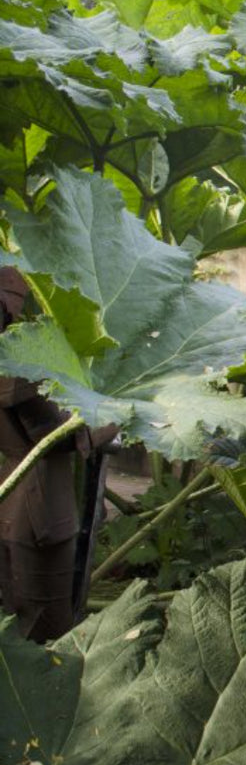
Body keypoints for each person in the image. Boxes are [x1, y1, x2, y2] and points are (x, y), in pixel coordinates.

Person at [0, 268, 112, 641]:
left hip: (12, 489)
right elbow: (56, 438)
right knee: (48, 622)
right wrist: (116, 417)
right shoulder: (18, 368)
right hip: (42, 501)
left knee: (18, 614)